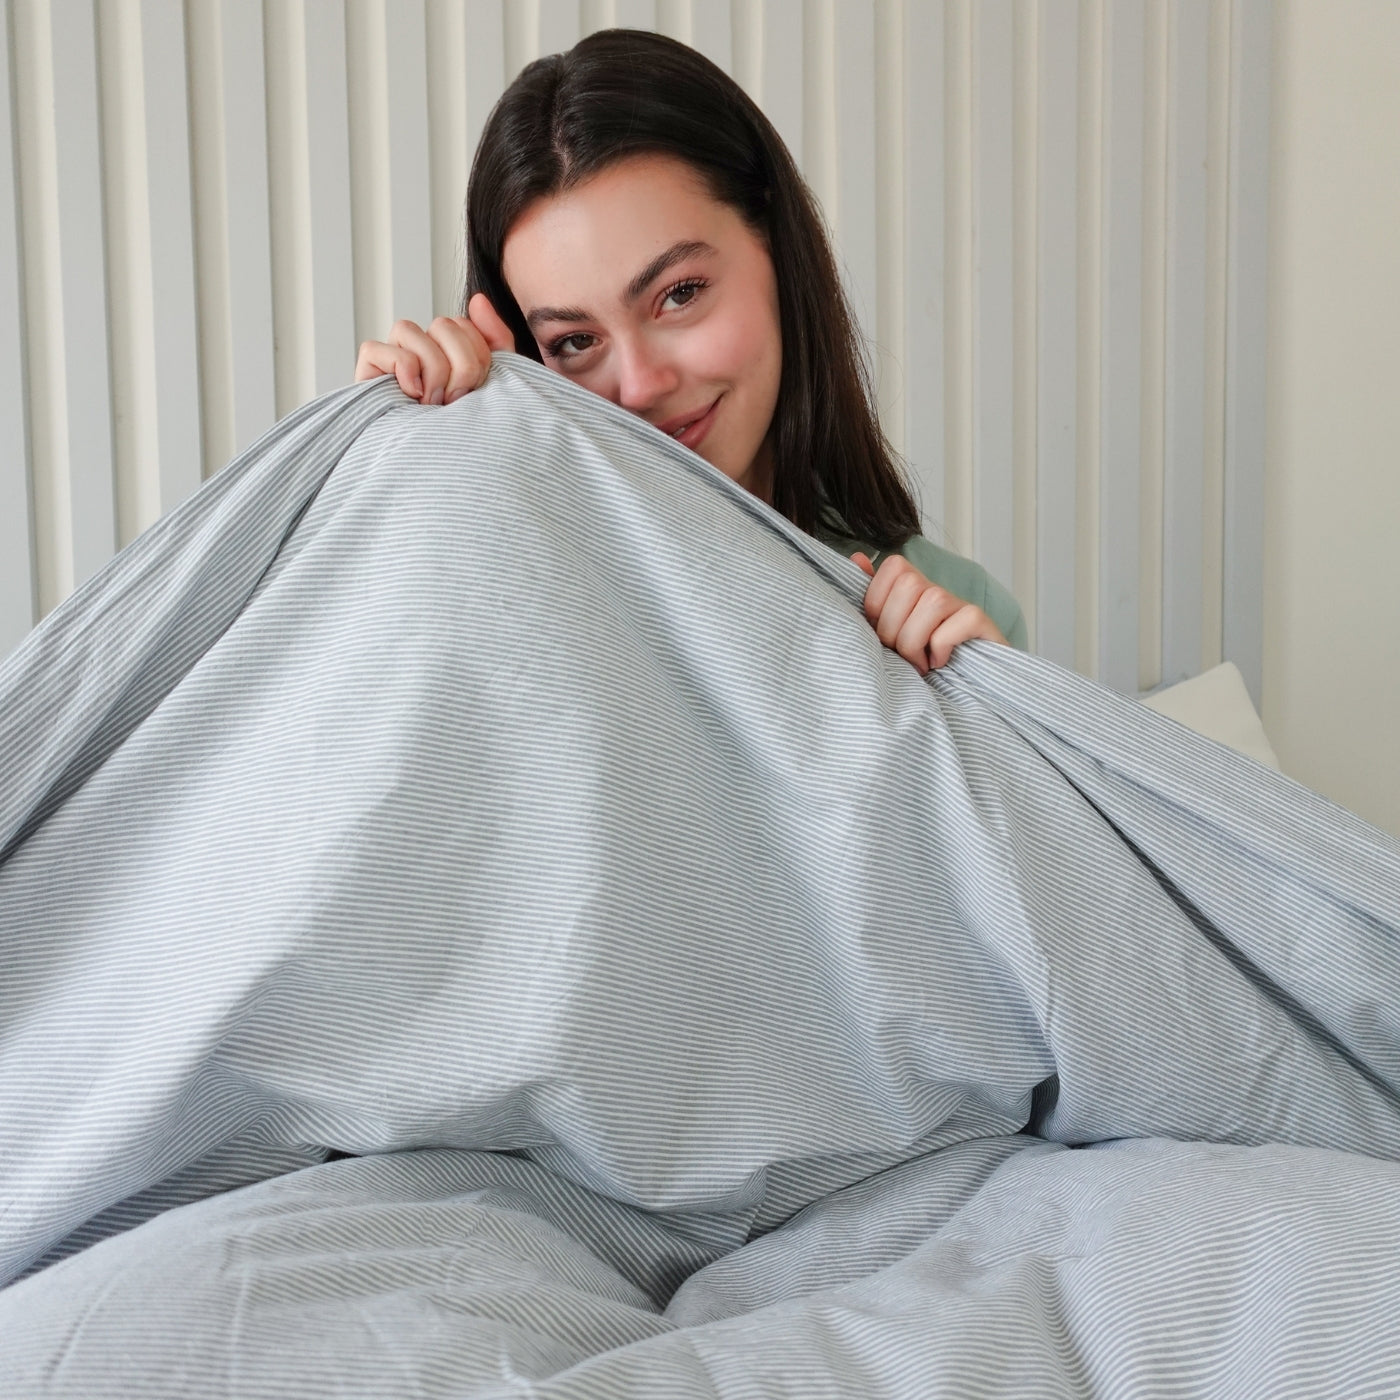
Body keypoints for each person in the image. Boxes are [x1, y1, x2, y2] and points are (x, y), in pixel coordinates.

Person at [355, 28, 1027, 675]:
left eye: (679, 294)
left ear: (776, 248)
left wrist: (991, 724)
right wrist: (402, 487)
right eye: (575, 342)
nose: (642, 386)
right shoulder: (500, 589)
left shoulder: (955, 618)